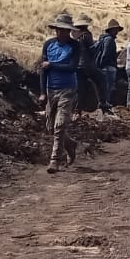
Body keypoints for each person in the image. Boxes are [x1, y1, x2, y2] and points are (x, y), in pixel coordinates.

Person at [38, 13, 84, 173]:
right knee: (51, 127)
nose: (61, 33)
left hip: (68, 89)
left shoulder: (75, 46)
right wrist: (43, 92)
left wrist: (51, 65)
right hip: (51, 89)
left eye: (64, 30)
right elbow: (43, 70)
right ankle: (70, 144)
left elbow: (72, 67)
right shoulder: (48, 44)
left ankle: (55, 161)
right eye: (58, 30)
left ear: (69, 31)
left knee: (60, 124)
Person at [93, 19, 122, 116]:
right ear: (112, 30)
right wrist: (103, 65)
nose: (117, 31)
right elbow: (105, 54)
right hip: (108, 67)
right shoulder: (109, 40)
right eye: (116, 29)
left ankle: (102, 108)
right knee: (107, 88)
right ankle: (104, 109)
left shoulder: (103, 39)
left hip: (105, 67)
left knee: (104, 88)